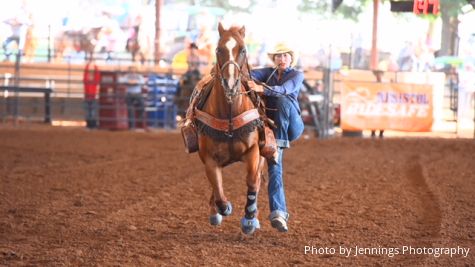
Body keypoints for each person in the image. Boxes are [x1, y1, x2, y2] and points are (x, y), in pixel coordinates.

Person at [247, 43, 305, 232]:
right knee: (274, 169)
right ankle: (279, 213)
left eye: (285, 56)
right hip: (273, 125)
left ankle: (278, 146)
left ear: (291, 58)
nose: (281, 59)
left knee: (281, 99)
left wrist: (261, 89)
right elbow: (247, 74)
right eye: (278, 56)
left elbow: (284, 90)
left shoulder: (297, 75)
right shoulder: (268, 73)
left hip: (291, 127)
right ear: (274, 59)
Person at [121, 65, 146, 130]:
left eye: (134, 70)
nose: (132, 71)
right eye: (131, 70)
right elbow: (121, 80)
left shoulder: (139, 76)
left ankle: (140, 118)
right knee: (130, 110)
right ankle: (132, 126)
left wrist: (134, 82)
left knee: (142, 104)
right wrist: (132, 82)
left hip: (137, 94)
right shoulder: (127, 76)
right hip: (129, 94)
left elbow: (143, 81)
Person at [83, 58, 101, 129]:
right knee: (88, 112)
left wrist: (94, 65)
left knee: (92, 112)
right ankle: (89, 124)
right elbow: (85, 74)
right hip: (87, 98)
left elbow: (97, 75)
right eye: (89, 75)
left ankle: (92, 124)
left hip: (92, 98)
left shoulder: (94, 82)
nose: (90, 76)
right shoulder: (86, 82)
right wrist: (88, 65)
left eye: (91, 75)